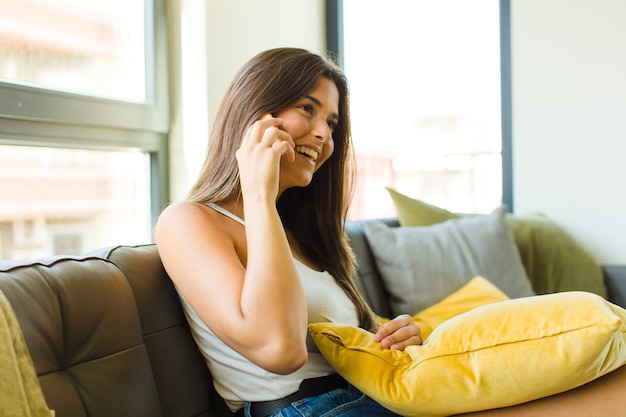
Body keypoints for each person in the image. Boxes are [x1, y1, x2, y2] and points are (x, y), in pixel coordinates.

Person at [155, 47, 626, 417]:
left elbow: (352, 337)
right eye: (307, 109)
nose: (323, 135)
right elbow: (278, 349)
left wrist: (399, 331)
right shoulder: (189, 220)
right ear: (254, 110)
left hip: (381, 393)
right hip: (312, 408)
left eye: (332, 123)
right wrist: (258, 193)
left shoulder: (297, 233)